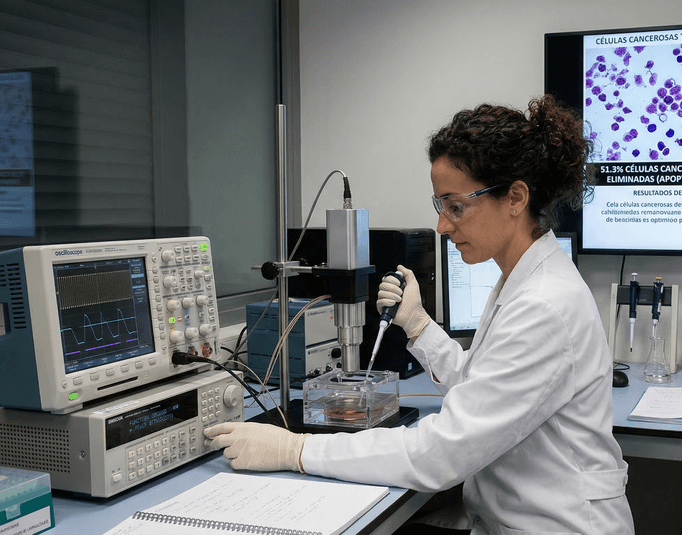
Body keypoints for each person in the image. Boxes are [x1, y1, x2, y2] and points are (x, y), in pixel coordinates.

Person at [205, 95, 635, 534]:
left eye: (456, 206)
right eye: (440, 206)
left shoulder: (544, 303)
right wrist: (419, 324)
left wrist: (295, 451)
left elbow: (441, 452)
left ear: (515, 197)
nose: (443, 225)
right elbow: (484, 384)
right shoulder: (524, 279)